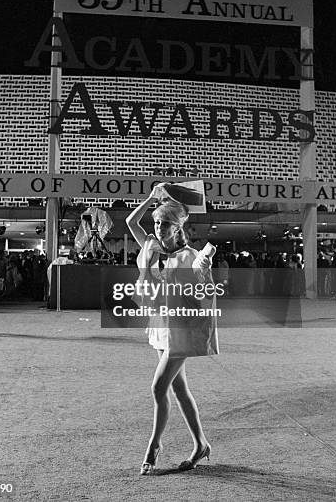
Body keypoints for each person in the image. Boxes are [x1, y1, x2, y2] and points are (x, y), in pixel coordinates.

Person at [126, 183, 218, 475]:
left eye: (165, 223)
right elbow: (130, 222)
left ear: (177, 227)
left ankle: (153, 446)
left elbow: (204, 291)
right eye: (156, 222)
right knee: (179, 390)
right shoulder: (150, 247)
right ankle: (201, 444)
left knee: (158, 387)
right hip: (161, 326)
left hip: (182, 328)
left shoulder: (191, 255)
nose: (158, 227)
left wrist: (203, 268)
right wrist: (152, 199)